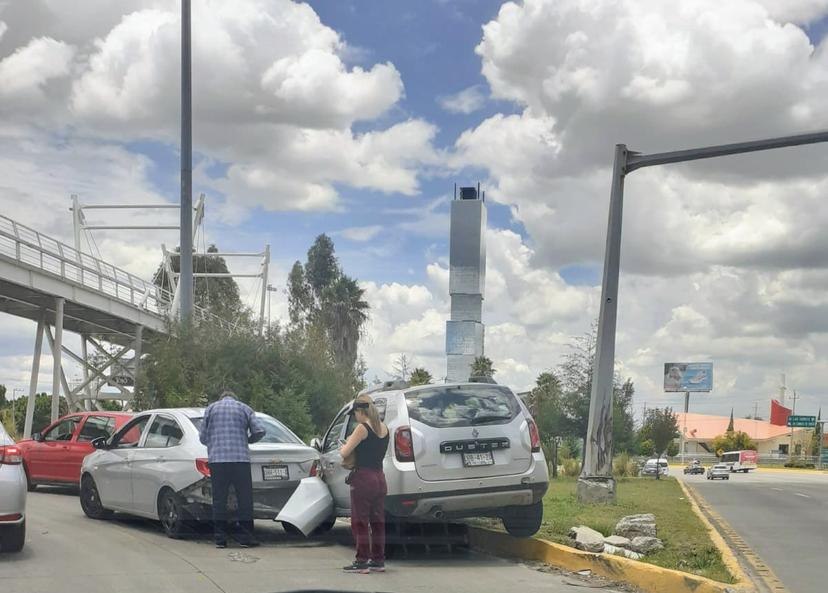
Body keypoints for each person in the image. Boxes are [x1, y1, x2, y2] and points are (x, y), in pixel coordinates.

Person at [199, 390, 265, 548]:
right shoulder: (244, 408)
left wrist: (214, 443)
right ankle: (245, 538)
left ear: (220, 398)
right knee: (244, 500)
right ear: (235, 398)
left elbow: (202, 437)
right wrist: (247, 440)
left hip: (217, 461)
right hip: (240, 460)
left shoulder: (211, 409)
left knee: (219, 500)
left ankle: (220, 539)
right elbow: (260, 431)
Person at [339, 394, 389, 574]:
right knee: (377, 522)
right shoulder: (385, 428)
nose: (355, 417)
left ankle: (362, 561)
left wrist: (342, 447)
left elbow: (345, 453)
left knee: (360, 521)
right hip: (380, 477)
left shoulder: (362, 428)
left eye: (355, 414)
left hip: (363, 478)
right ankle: (378, 560)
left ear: (361, 411)